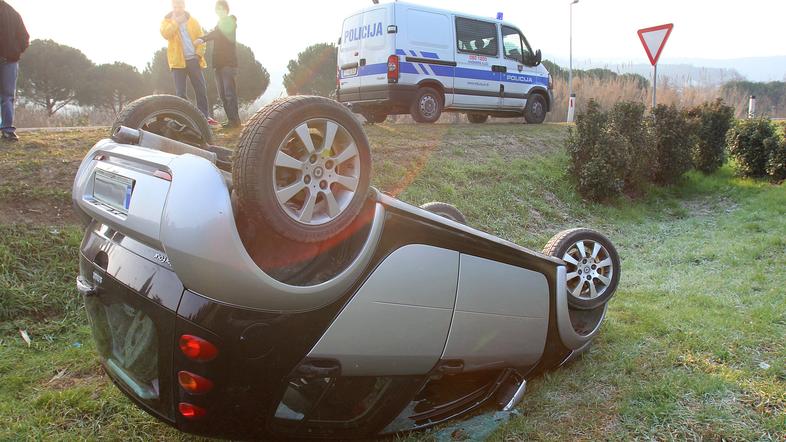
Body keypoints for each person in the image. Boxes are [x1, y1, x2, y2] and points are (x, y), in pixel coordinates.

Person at [160, 0, 216, 124]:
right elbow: (166, 34)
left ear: (184, 6)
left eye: (180, 6)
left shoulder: (193, 21)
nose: (177, 9)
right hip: (177, 62)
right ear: (172, 7)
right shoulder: (167, 21)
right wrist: (176, 22)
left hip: (193, 59)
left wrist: (198, 55)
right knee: (180, 93)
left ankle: (203, 118)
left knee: (200, 89)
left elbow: (201, 39)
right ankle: (185, 120)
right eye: (175, 6)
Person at [196, 1, 241, 129]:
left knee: (229, 93)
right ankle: (231, 120)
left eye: (222, 9)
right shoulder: (218, 25)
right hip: (218, 65)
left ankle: (235, 121)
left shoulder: (230, 22)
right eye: (218, 9)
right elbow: (216, 33)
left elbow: (217, 33)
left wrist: (203, 38)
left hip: (228, 64)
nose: (220, 11)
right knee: (222, 94)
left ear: (226, 10)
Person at [0, 0, 29, 142]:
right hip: (9, 61)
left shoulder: (12, 13)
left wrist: (15, 52)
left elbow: (24, 37)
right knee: (7, 97)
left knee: (7, 96)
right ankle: (6, 130)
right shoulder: (12, 12)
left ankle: (7, 130)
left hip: (9, 61)